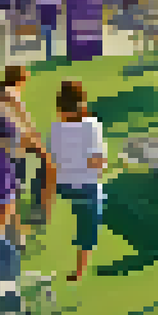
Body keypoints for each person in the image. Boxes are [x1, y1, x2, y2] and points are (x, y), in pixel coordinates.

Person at [0, 73, 56, 244]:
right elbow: (21, 125)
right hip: (10, 155)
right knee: (12, 194)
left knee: (6, 194)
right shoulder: (8, 99)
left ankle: (10, 234)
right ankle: (14, 236)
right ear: (20, 80)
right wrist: (37, 141)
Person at [49, 80, 107, 282]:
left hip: (62, 186)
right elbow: (96, 162)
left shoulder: (55, 128)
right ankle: (79, 271)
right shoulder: (92, 126)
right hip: (86, 186)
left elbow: (52, 161)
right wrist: (104, 165)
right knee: (89, 224)